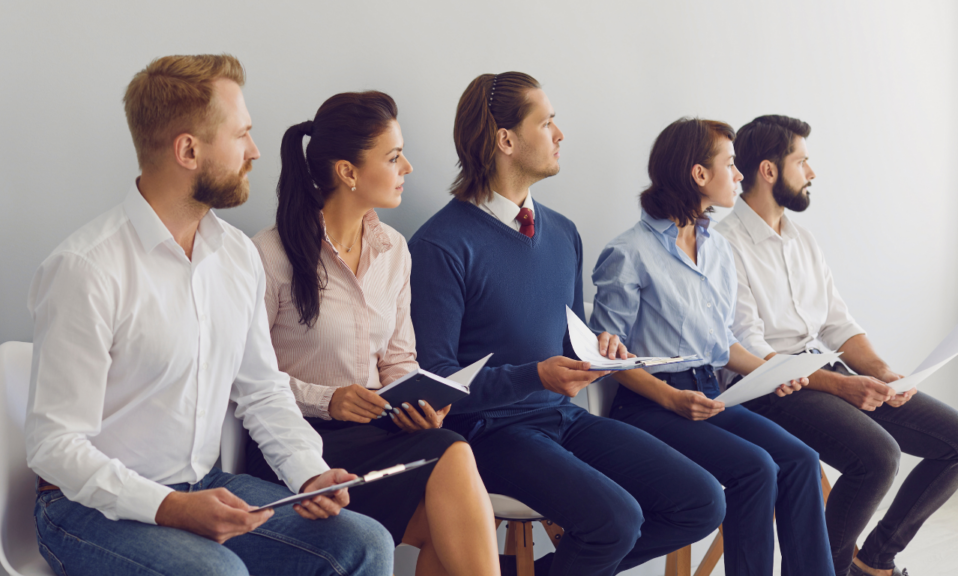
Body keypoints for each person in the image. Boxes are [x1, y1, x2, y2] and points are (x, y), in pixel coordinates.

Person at [25, 54, 393, 576]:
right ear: (188, 150)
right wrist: (170, 507)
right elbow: (53, 445)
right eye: (241, 135)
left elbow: (262, 391)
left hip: (199, 487)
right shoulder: (86, 268)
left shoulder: (237, 255)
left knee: (365, 544)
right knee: (216, 573)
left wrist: (310, 474)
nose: (255, 151)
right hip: (84, 508)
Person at [408, 72, 726, 576]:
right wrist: (536, 376)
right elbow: (438, 385)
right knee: (617, 520)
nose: (559, 134)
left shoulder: (562, 233)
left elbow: (566, 342)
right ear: (506, 140)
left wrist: (599, 351)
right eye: (547, 122)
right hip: (489, 434)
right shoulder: (440, 246)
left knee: (702, 500)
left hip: (563, 418)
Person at [244, 91, 500, 576]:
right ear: (348, 171)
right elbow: (248, 379)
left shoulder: (394, 251)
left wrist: (417, 401)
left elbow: (400, 358)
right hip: (299, 445)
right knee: (450, 491)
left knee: (450, 466)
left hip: (375, 436)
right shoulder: (268, 255)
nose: (407, 166)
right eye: (393, 156)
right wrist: (328, 399)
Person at [589, 117, 834, 576]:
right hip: (650, 404)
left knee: (801, 459)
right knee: (756, 468)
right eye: (731, 164)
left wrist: (769, 369)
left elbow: (723, 344)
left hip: (709, 396)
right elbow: (605, 357)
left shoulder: (717, 249)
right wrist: (671, 398)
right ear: (699, 175)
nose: (740, 175)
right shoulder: (630, 252)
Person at [716, 114, 958, 576]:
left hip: (827, 374)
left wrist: (883, 372)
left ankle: (875, 561)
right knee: (878, 457)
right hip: (772, 390)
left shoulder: (802, 241)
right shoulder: (726, 246)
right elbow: (752, 351)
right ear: (769, 171)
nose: (812, 173)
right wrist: (842, 386)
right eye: (802, 162)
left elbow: (837, 324)